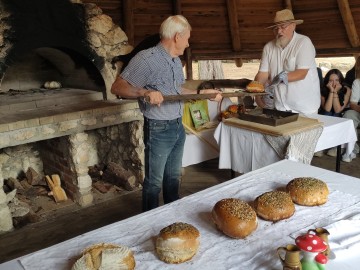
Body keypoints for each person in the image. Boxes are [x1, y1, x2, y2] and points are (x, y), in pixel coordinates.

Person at [110, 15, 222, 211]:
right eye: (187, 38)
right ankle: (149, 219)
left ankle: (172, 212)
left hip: (177, 125)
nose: (188, 44)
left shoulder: (175, 61)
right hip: (158, 128)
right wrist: (144, 92)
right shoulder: (146, 59)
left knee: (173, 176)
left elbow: (176, 91)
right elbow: (117, 87)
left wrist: (200, 93)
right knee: (154, 182)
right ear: (177, 36)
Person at [254, 9, 320, 115]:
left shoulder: (303, 42)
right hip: (280, 107)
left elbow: (301, 73)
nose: (279, 31)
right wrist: (256, 92)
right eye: (276, 28)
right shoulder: (268, 47)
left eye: (283, 27)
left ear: (293, 26)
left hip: (304, 108)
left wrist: (276, 79)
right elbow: (263, 74)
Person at [315, 69, 351, 157]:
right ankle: (321, 146)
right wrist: (331, 91)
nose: (334, 83)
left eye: (337, 80)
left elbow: (338, 109)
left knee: (335, 114)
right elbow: (327, 109)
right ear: (327, 81)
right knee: (328, 114)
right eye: (331, 80)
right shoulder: (323, 89)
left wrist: (335, 92)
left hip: (339, 115)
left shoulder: (346, 90)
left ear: (341, 81)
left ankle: (335, 147)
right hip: (325, 114)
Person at [342, 62, 360, 162]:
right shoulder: (357, 82)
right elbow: (353, 104)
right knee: (349, 115)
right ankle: (351, 150)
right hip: (359, 111)